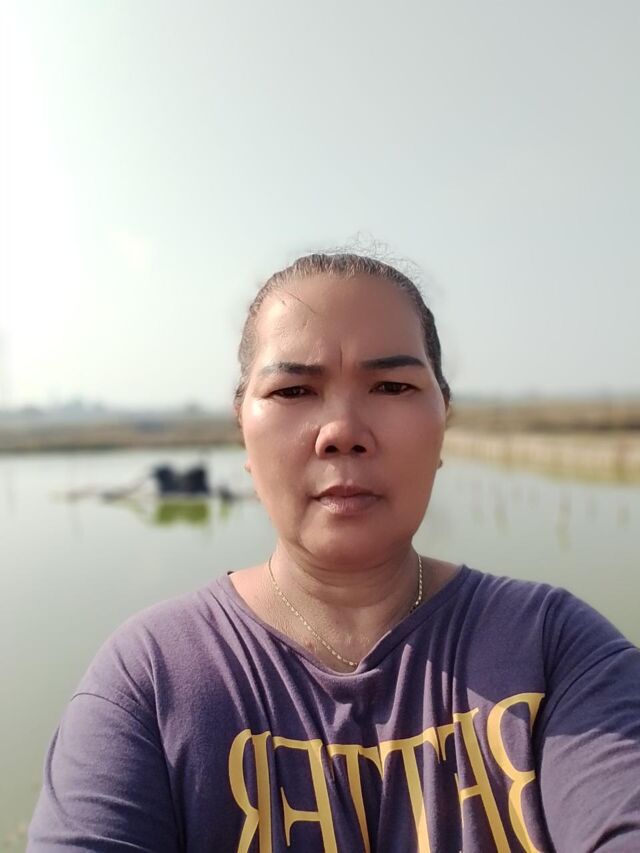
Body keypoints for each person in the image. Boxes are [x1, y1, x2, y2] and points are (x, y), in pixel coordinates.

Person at [28, 253, 640, 852]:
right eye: (293, 389)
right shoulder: (153, 680)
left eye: (392, 385)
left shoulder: (555, 650)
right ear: (243, 428)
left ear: (443, 419)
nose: (342, 431)